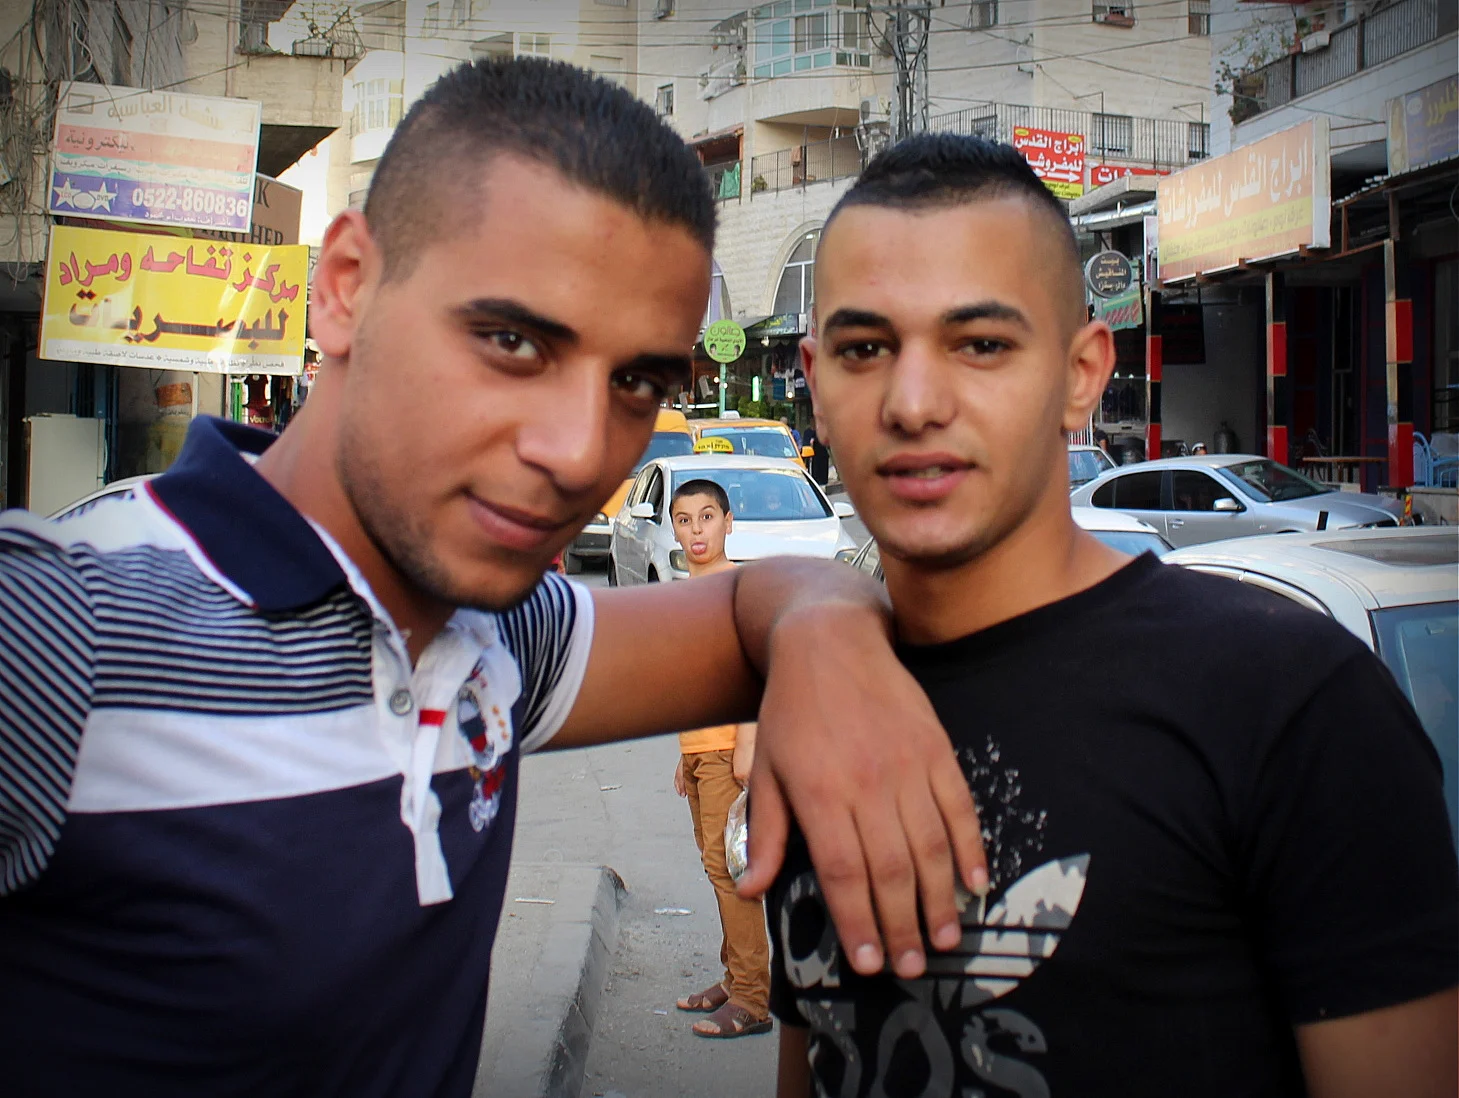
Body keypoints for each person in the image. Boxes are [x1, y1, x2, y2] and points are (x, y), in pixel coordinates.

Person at [0, 61, 991, 1096]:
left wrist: (823, 629)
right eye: (512, 341)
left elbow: (752, 604)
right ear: (344, 289)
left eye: (636, 381)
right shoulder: (62, 630)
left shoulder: (494, 639)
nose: (578, 451)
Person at [770, 134, 1458, 1098]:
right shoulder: (817, 701)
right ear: (814, 379)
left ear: (1082, 374)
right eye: (863, 350)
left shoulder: (1289, 702)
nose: (913, 403)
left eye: (981, 345)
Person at [668, 478, 772, 1039]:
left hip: (731, 751)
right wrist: (683, 755)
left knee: (732, 871)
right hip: (699, 751)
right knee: (717, 867)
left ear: (728, 522)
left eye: (707, 517)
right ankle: (735, 980)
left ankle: (752, 998)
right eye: (684, 520)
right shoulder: (686, 592)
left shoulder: (738, 588)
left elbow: (756, 671)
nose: (697, 530)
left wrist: (748, 747)